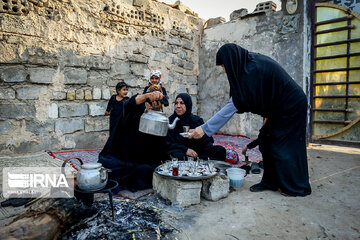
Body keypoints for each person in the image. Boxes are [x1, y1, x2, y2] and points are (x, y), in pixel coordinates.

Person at [189, 43, 311, 197]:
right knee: (266, 140)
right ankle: (270, 181)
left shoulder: (252, 71)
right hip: (277, 108)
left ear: (232, 61)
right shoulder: (247, 66)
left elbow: (232, 105)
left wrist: (204, 129)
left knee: (284, 145)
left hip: (292, 106)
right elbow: (268, 94)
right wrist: (266, 120)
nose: (224, 70)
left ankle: (296, 186)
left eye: (224, 66)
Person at [99, 91, 167, 192]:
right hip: (123, 158)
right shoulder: (133, 117)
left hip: (143, 162)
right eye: (148, 104)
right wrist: (147, 96)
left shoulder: (159, 121)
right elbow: (130, 104)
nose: (150, 106)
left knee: (148, 170)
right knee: (112, 167)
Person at [166, 93, 226, 161]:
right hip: (180, 151)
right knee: (177, 155)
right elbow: (167, 143)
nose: (178, 106)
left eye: (182, 103)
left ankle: (199, 162)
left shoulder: (196, 120)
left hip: (197, 153)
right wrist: (185, 149)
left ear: (188, 105)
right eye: (176, 103)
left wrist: (197, 133)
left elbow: (208, 142)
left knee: (220, 150)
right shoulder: (170, 121)